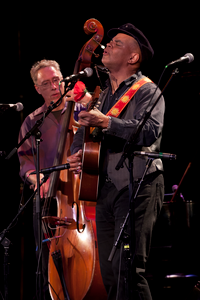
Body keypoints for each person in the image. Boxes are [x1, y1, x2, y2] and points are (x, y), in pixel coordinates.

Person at [68, 23, 165, 300]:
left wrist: (108, 122)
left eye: (117, 43)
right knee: (110, 274)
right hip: (105, 189)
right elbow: (84, 130)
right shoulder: (102, 94)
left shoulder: (148, 90)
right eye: (108, 42)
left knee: (129, 270)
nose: (107, 45)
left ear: (133, 58)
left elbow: (148, 131)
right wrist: (77, 153)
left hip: (138, 183)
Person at [17, 59, 90, 299]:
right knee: (46, 257)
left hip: (82, 194)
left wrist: (84, 100)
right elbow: (25, 159)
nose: (54, 86)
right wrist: (37, 179)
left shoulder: (81, 108)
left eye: (57, 80)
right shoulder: (32, 121)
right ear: (38, 89)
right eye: (46, 83)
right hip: (51, 202)